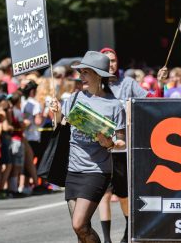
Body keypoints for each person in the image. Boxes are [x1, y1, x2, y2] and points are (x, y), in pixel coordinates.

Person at [49, 51, 126, 243]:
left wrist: (108, 142)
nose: (81, 76)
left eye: (85, 72)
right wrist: (56, 114)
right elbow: (59, 125)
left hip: (96, 171)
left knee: (79, 224)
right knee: (81, 231)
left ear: (98, 75)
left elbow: (122, 141)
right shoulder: (74, 98)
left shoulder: (114, 105)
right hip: (73, 170)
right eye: (80, 72)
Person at [98, 47, 167, 243]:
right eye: (106, 60)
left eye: (113, 60)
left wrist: (160, 84)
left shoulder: (127, 83)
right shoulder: (96, 84)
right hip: (102, 146)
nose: (110, 64)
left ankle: (129, 229)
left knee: (123, 194)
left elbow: (151, 102)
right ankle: (107, 239)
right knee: (104, 192)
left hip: (124, 147)